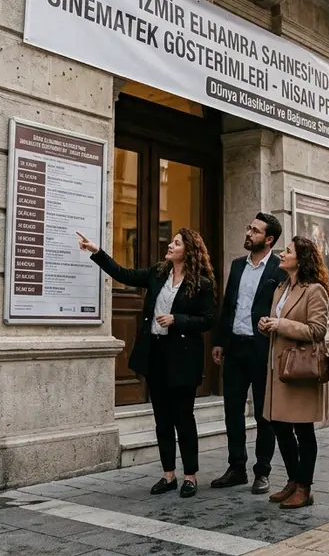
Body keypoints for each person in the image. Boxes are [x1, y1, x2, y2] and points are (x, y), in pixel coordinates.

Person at [77, 229, 216, 497]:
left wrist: (178, 320)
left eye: (176, 243)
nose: (170, 245)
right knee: (162, 418)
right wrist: (97, 252)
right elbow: (124, 274)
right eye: (172, 241)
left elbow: (208, 319)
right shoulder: (158, 273)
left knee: (183, 418)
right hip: (156, 353)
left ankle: (190, 476)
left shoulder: (202, 284)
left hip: (183, 358)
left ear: (189, 250)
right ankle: (168, 475)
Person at [210, 213, 285, 494]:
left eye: (254, 230)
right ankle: (236, 467)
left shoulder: (279, 269)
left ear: (268, 239)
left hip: (263, 350)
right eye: (248, 227)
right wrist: (220, 341)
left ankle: (262, 471)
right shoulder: (238, 265)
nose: (248, 232)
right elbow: (229, 305)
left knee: (265, 415)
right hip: (236, 347)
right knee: (232, 411)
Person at [258, 235, 329, 510]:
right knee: (279, 425)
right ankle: (292, 480)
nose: (282, 254)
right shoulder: (280, 288)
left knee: (303, 430)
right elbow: (278, 323)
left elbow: (317, 330)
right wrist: (266, 324)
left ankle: (305, 487)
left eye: (287, 251)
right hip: (278, 368)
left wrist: (281, 324)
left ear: (300, 259)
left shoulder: (315, 290)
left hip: (300, 370)